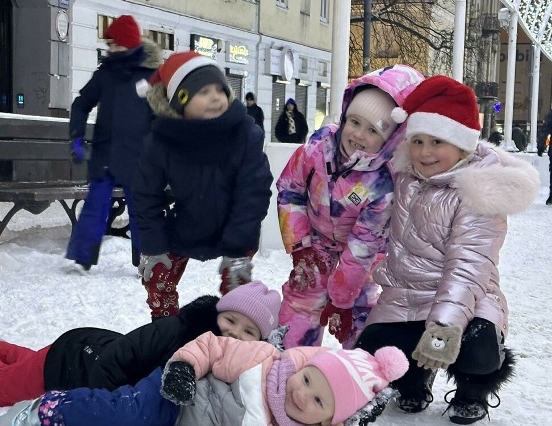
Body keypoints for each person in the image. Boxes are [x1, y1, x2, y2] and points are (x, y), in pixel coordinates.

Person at [353, 75, 540, 425]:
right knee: (372, 354)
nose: (425, 152)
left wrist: (444, 328)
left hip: (468, 301)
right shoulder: (403, 177)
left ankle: (473, 390)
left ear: (462, 145)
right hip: (406, 296)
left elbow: (469, 266)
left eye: (437, 141)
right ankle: (414, 380)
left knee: (477, 350)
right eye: (418, 140)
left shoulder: (479, 191)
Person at [0, 331, 408, 426]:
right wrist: (185, 367)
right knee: (126, 414)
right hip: (176, 396)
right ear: (307, 365)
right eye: (310, 379)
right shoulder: (264, 363)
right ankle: (42, 414)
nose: (302, 393)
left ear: (332, 420)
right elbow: (213, 346)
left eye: (318, 401)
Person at [0, 281, 281, 407]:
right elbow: (115, 361)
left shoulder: (236, 368)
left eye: (248, 331)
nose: (233, 333)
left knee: (28, 361)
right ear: (216, 314)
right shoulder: (177, 331)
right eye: (230, 320)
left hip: (85, 351)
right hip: (75, 362)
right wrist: (97, 408)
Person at [276, 64, 424, 349]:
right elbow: (289, 191)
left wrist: (341, 302)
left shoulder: (381, 185)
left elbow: (362, 248)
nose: (357, 134)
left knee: (360, 313)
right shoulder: (316, 148)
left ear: (390, 139)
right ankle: (288, 363)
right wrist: (301, 245)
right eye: (354, 122)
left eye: (372, 130)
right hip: (315, 245)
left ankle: (360, 373)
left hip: (359, 259)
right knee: (301, 301)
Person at [134, 52, 273, 318]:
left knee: (237, 286)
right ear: (180, 102)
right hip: (185, 227)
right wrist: (154, 245)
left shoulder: (244, 133)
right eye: (203, 91)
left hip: (235, 228)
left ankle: (233, 337)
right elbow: (145, 194)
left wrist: (237, 247)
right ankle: (165, 335)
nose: (215, 97)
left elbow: (253, 192)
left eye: (220, 89)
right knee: (157, 277)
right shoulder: (161, 141)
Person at [65, 15, 160, 272]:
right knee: (95, 206)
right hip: (105, 153)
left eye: (115, 44)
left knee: (141, 212)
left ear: (128, 44)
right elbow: (81, 103)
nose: (110, 49)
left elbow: (161, 116)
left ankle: (147, 260)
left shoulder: (151, 77)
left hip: (138, 156)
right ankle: (82, 258)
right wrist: (76, 135)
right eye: (109, 44)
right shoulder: (105, 74)